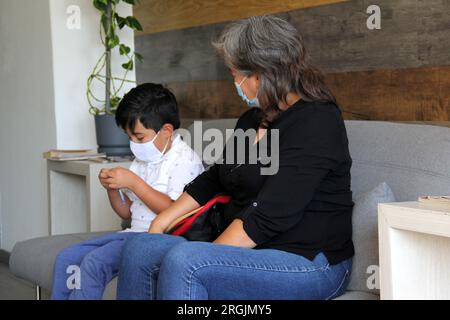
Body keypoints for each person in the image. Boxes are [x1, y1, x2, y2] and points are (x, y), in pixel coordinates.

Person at [117, 16, 354, 300]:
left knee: (186, 263)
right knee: (139, 248)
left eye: (235, 74)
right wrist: (160, 223)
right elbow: (216, 178)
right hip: (255, 249)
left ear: (263, 73)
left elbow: (269, 215)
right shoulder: (252, 120)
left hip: (307, 260)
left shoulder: (317, 122)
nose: (235, 81)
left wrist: (204, 256)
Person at [50, 83, 204, 300]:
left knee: (95, 262)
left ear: (166, 131)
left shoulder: (184, 161)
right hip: (131, 234)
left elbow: (176, 212)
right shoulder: (143, 160)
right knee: (68, 257)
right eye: (129, 137)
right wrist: (113, 189)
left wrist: (133, 183)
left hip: (159, 238)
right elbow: (128, 213)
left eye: (139, 137)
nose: (134, 144)